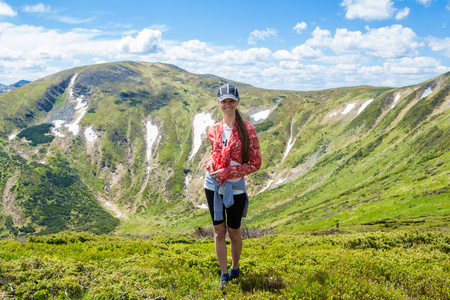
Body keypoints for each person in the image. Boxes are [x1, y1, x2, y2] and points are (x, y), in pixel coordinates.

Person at [204, 83, 262, 288]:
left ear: (237, 102)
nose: (227, 105)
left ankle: (235, 268)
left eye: (231, 101)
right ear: (218, 103)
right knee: (219, 231)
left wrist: (229, 172)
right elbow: (214, 153)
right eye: (224, 101)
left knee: (234, 230)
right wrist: (211, 164)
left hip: (235, 187)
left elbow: (256, 163)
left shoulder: (248, 130)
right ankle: (223, 274)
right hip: (213, 185)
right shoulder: (214, 130)